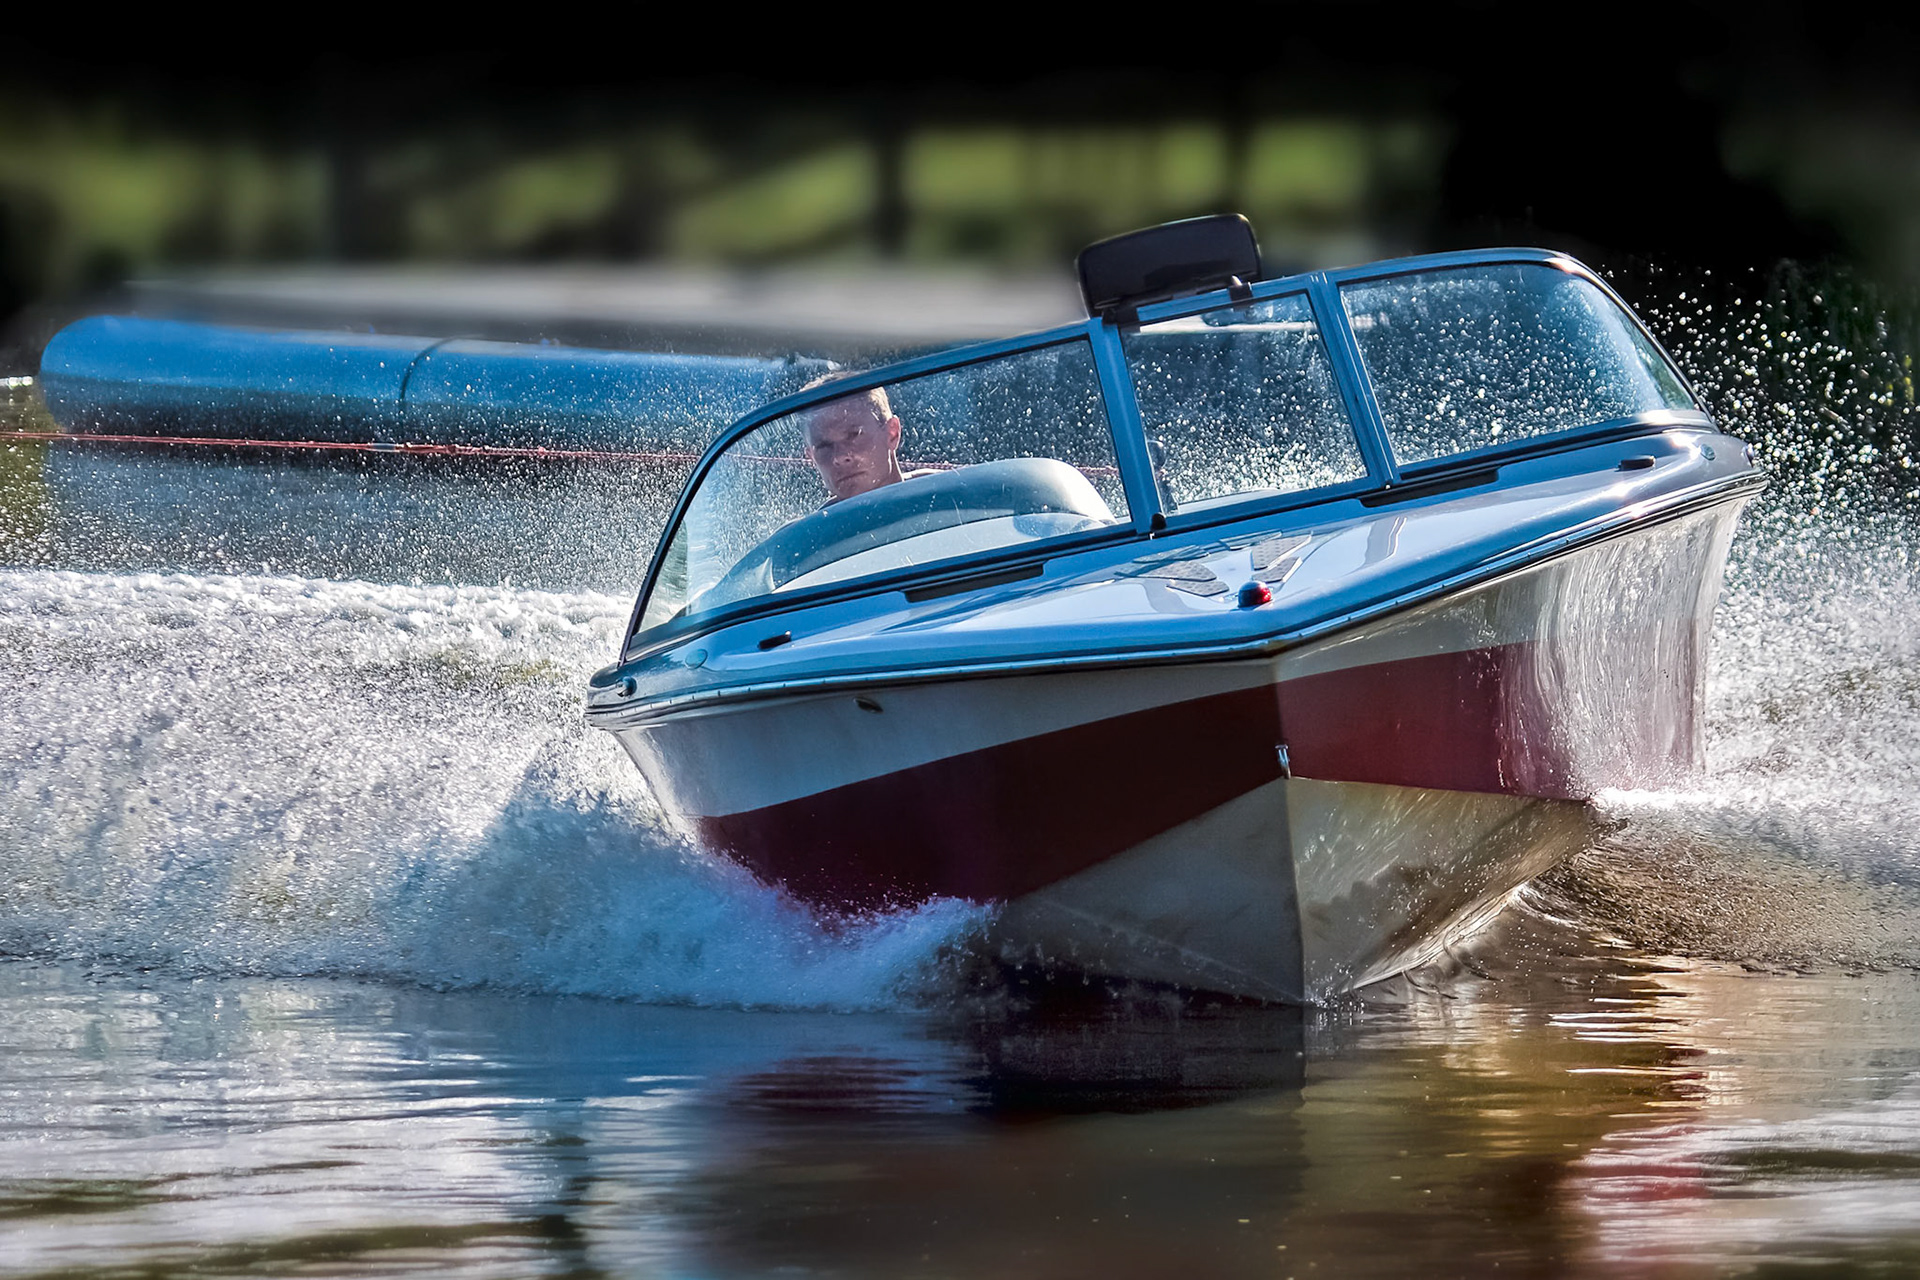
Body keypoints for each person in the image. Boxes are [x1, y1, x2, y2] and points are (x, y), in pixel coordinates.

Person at [798, 383, 930, 503]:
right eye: (823, 446)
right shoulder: (812, 529)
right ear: (812, 458)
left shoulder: (945, 496)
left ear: (892, 433)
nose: (839, 456)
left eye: (854, 435)